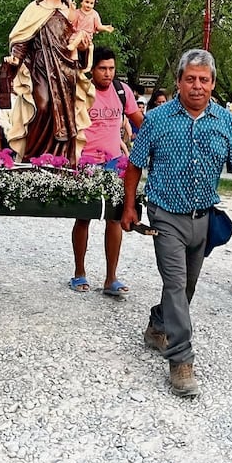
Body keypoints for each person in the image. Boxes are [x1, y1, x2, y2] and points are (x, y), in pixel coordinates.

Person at [121, 49, 232, 398]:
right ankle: (181, 360)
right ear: (178, 82)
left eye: (204, 80)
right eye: (190, 79)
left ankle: (159, 324)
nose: (197, 86)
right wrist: (129, 206)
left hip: (203, 216)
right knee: (176, 285)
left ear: (212, 84)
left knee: (187, 287)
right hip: (165, 213)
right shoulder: (158, 119)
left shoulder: (225, 122)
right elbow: (135, 164)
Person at [70, 48, 143, 296]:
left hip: (114, 162)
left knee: (114, 218)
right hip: (86, 162)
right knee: (84, 216)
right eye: (103, 68)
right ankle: (79, 272)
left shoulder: (122, 92)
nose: (108, 73)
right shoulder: (81, 91)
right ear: (93, 68)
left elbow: (140, 121)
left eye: (111, 68)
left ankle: (111, 278)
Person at [5, 0, 94, 166]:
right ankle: (32, 159)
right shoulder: (34, 9)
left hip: (65, 70)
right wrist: (15, 58)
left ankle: (61, 161)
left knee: (65, 114)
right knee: (43, 105)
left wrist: (83, 47)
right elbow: (22, 39)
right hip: (41, 67)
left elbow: (75, 40)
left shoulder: (69, 13)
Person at [67, 0, 114, 65]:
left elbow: (98, 26)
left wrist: (105, 28)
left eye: (91, 3)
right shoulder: (77, 12)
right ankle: (74, 57)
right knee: (72, 39)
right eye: (87, 2)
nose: (89, 5)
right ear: (81, 2)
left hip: (86, 39)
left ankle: (73, 45)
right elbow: (71, 22)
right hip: (76, 37)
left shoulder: (94, 14)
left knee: (82, 33)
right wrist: (72, 10)